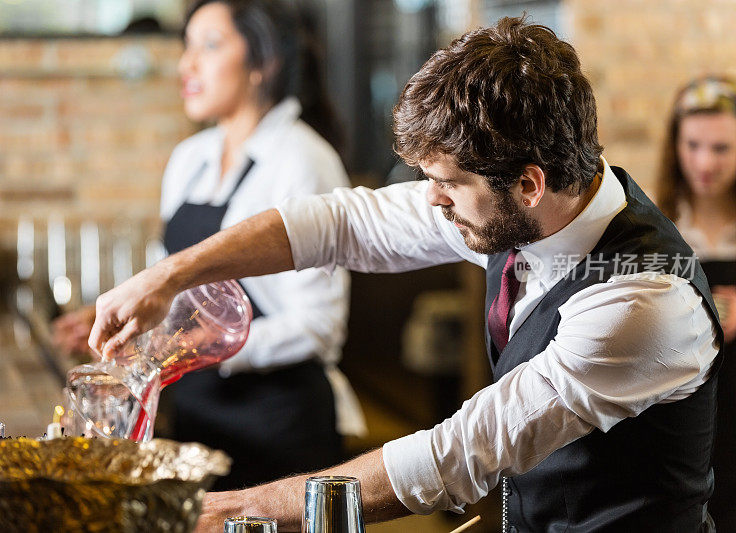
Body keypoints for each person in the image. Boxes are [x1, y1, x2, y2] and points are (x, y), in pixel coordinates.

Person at [89, 17, 723, 532]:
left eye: (446, 185)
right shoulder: (525, 207)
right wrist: (168, 277)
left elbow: (457, 455)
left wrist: (222, 510)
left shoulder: (641, 302)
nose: (433, 202)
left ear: (529, 184)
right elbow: (341, 225)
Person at [56, 0, 364, 491]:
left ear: (263, 62)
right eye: (187, 46)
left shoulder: (302, 159)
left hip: (280, 426)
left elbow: (319, 327)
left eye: (210, 45)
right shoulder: (189, 159)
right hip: (202, 422)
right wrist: (124, 327)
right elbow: (175, 291)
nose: (186, 64)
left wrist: (200, 349)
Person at [655, 76, 736, 529]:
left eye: (722, 148)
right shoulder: (657, 227)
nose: (705, 162)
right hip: (683, 410)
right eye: (693, 145)